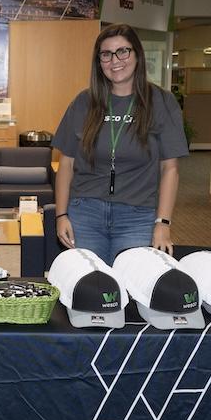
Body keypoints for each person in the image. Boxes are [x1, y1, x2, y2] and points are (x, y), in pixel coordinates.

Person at [51, 23, 188, 265]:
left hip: (137, 215)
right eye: (106, 54)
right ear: (99, 61)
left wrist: (163, 223)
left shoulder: (161, 102)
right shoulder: (84, 102)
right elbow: (66, 164)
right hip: (86, 213)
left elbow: (170, 169)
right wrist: (61, 215)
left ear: (137, 55)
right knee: (90, 289)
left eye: (123, 51)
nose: (115, 60)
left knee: (131, 286)